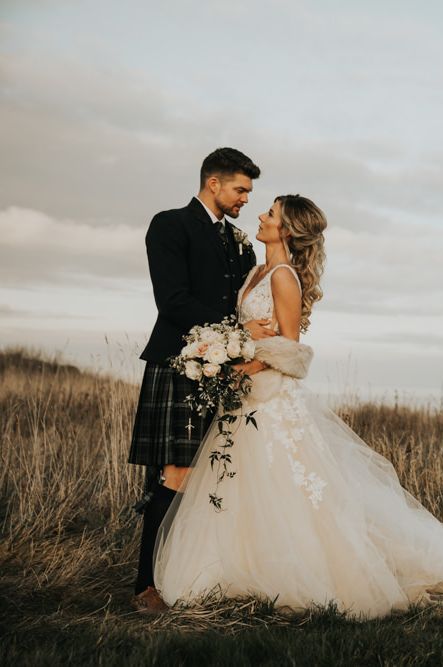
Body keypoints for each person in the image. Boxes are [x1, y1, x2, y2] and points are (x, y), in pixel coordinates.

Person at [153, 195, 443, 619]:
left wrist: (244, 364)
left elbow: (291, 349)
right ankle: (231, 569)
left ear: (285, 230)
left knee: (284, 488)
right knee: (239, 487)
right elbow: (253, 330)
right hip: (244, 400)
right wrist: (233, 345)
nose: (261, 216)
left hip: (270, 401)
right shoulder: (256, 271)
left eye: (271, 214)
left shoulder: (283, 276)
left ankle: (297, 574)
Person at [128, 148, 275, 613]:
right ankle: (144, 585)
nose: (246, 199)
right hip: (178, 365)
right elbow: (172, 300)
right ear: (214, 182)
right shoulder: (170, 225)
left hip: (223, 370)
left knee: (214, 476)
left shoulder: (239, 241)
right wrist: (238, 331)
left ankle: (192, 573)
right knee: (176, 474)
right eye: (241, 190)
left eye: (249, 192)